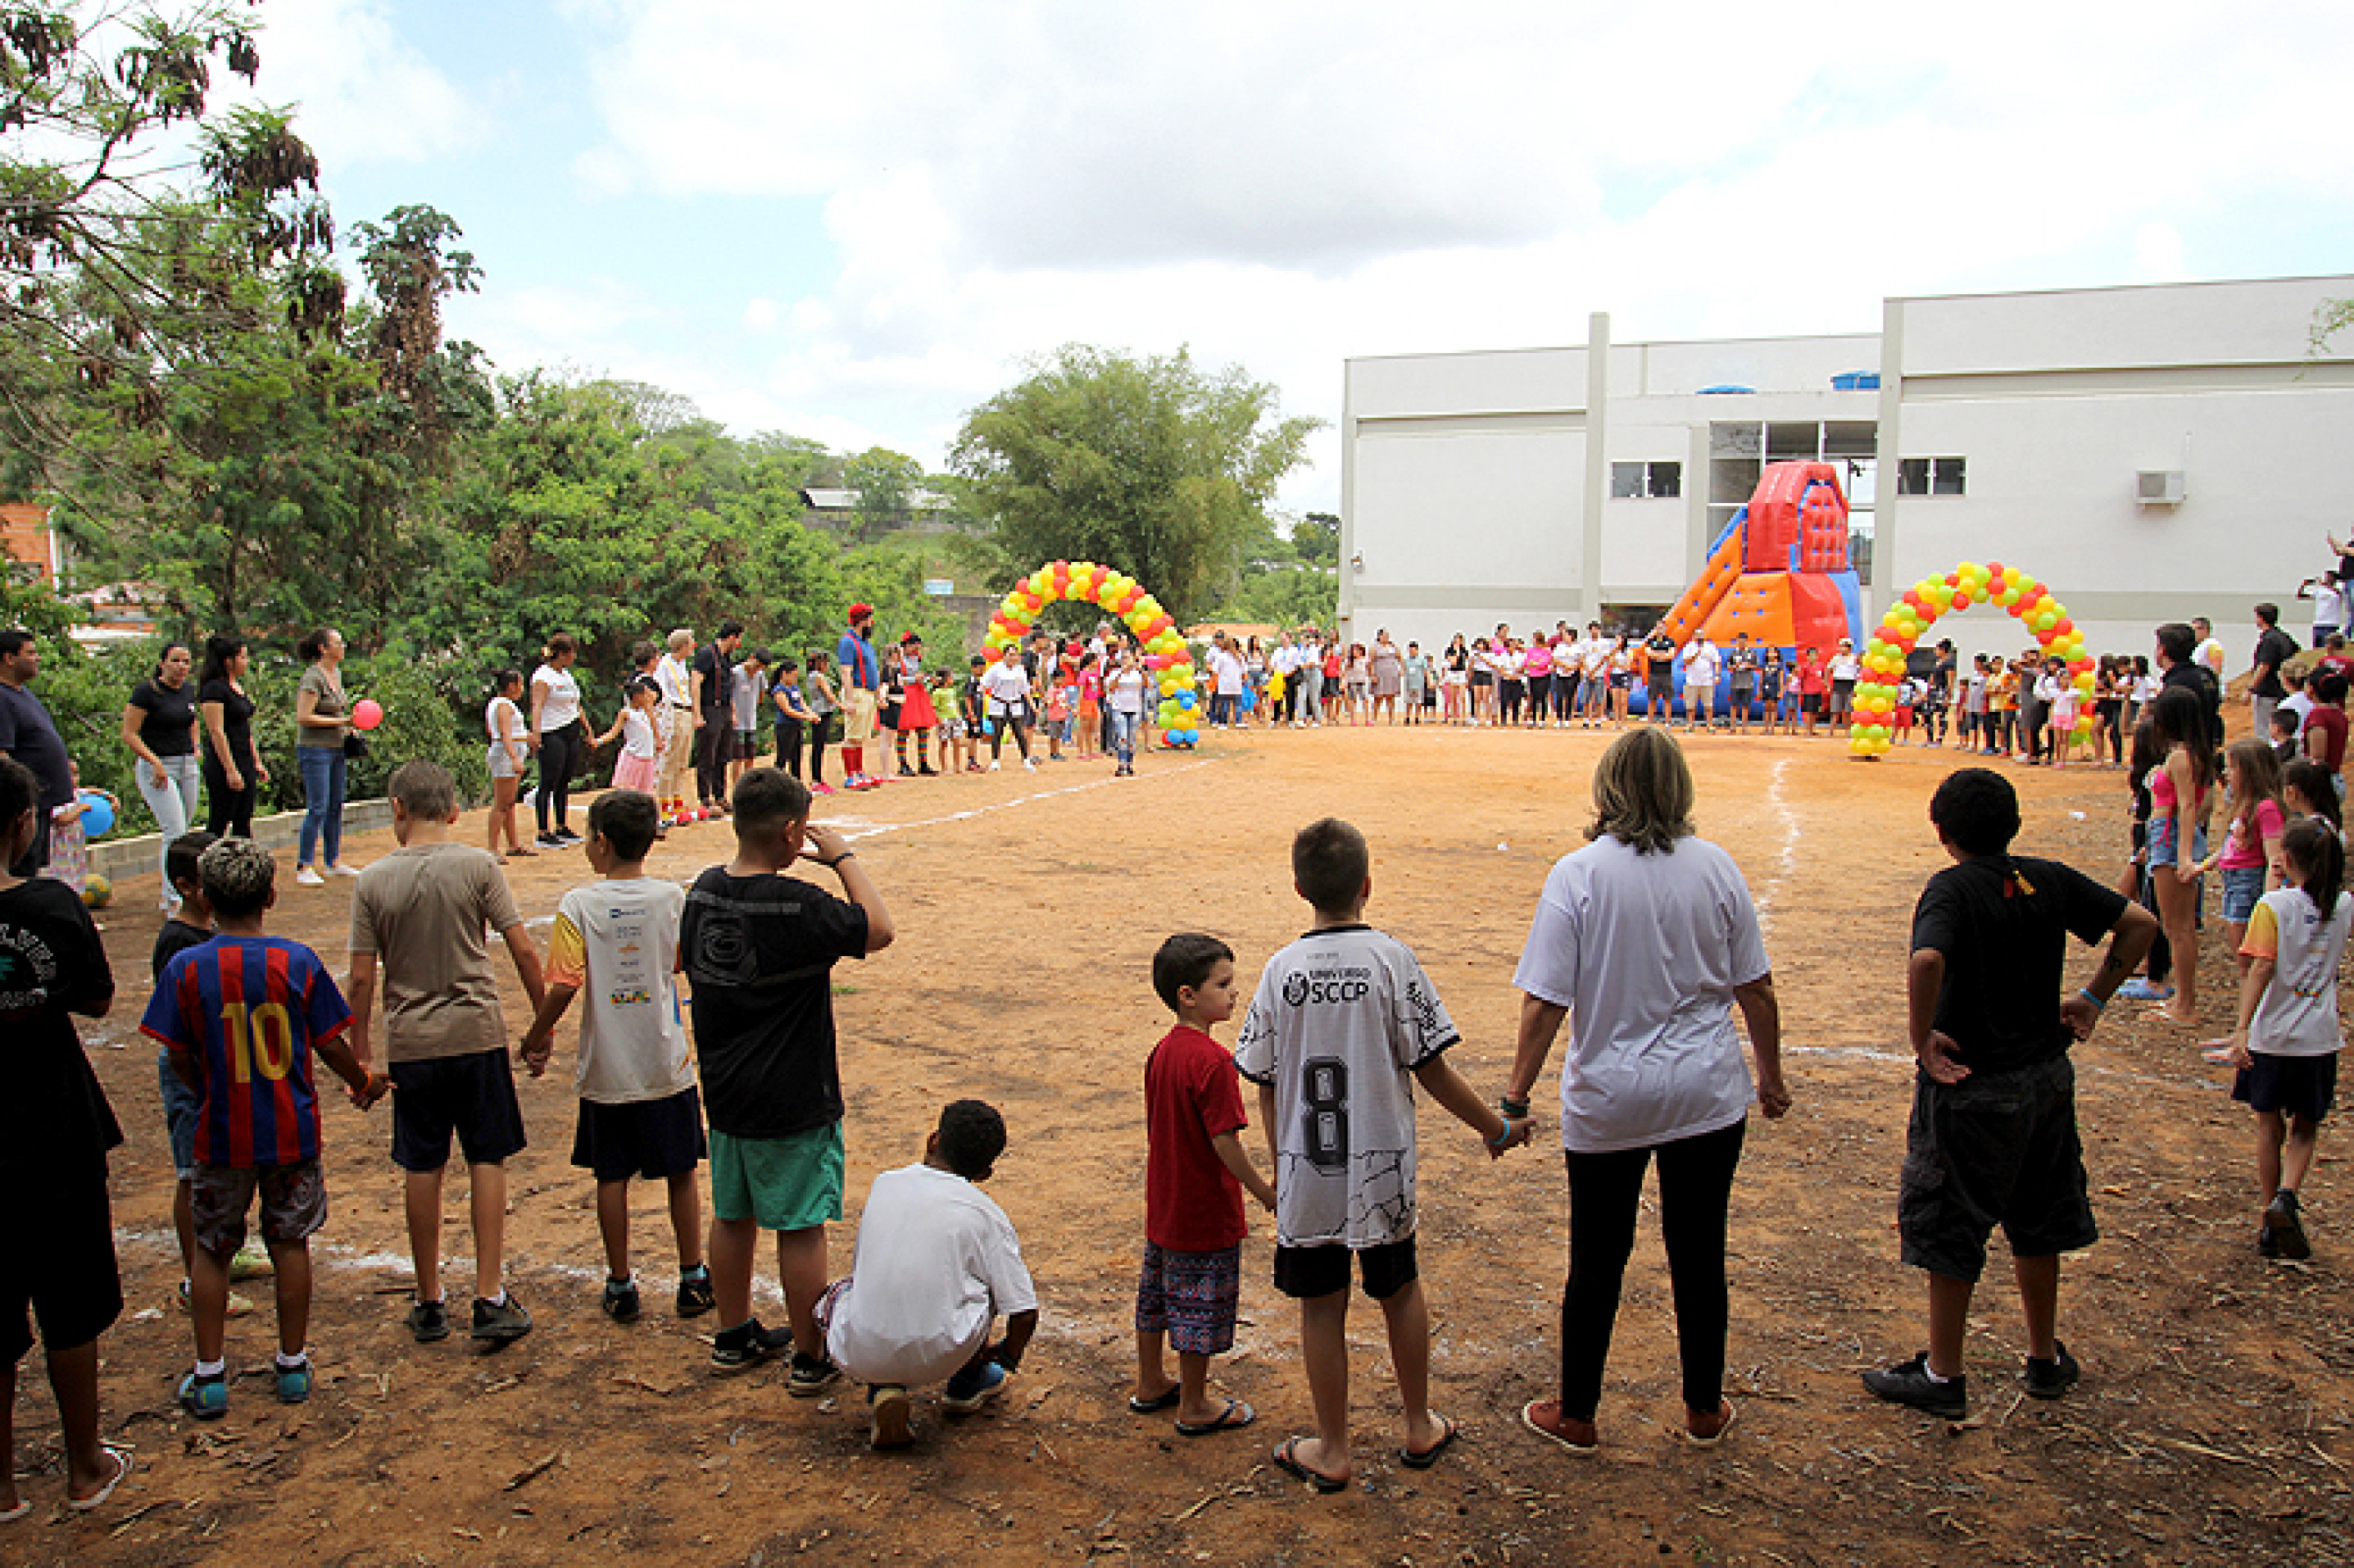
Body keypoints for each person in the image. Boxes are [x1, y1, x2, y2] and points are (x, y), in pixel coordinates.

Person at [1506, 727, 1789, 1452]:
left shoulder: (1577, 874)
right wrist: (1769, 1076)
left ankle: (1577, 1413)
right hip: (1705, 1091)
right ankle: (1703, 1408)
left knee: (1597, 1257)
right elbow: (1755, 988)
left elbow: (1545, 1002)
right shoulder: (1716, 867)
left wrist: (1515, 1096)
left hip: (1610, 1096)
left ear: (1607, 788)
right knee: (1699, 1251)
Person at [1233, 818, 1523, 1492]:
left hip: (1309, 1172)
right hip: (1380, 1170)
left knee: (1320, 1305)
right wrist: (1495, 1129)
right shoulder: (1391, 959)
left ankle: (1333, 1449)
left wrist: (1282, 1166)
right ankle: (1418, 1423)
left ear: (1299, 888)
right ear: (1367, 885)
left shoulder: (1280, 970)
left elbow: (1264, 1082)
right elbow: (1432, 1068)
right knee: (1398, 1288)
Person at [1862, 768, 2156, 1421]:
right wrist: (2091, 997)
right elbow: (2138, 924)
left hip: (1972, 1084)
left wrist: (1921, 1036)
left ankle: (1943, 1373)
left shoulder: (1951, 889)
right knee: (2037, 1218)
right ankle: (2042, 1355)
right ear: (2012, 824)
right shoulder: (2044, 877)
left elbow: (1926, 961)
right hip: (2043, 1079)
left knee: (1952, 1224)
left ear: (1942, 833)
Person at [143, 838, 381, 1420]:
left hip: (221, 1131)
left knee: (211, 1249)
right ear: (270, 895)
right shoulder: (295, 961)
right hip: (288, 1129)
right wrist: (363, 1081)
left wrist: (205, 1090)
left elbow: (176, 1053)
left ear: (205, 896)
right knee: (289, 1241)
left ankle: (210, 1374)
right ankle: (292, 1364)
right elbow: (330, 1043)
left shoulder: (186, 967)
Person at [682, 768, 894, 1384]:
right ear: (793, 832)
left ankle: (732, 1334)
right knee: (800, 1226)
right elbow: (878, 929)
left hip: (725, 1089)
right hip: (793, 1092)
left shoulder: (703, 891)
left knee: (733, 1215)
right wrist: (843, 859)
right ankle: (809, 1353)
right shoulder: (797, 903)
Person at [347, 760, 547, 1346]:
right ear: (455, 811)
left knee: (422, 1162)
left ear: (398, 809)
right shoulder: (478, 865)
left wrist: (360, 1060)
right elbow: (522, 949)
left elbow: (360, 980)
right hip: (476, 1033)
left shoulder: (373, 880)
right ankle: (489, 1295)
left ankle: (429, 1297)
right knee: (487, 1156)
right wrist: (540, 1026)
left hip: (412, 1042)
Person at [518, 791, 711, 1323]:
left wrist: (535, 1035)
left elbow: (563, 984)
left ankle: (621, 1283)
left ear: (601, 842)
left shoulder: (578, 905)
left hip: (607, 1064)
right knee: (680, 1171)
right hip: (665, 1060)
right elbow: (680, 962)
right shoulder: (671, 898)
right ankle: (692, 1276)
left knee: (611, 1175)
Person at [0, 757, 133, 1516]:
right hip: (54, 1123)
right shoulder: (51, 905)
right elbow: (97, 1000)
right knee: (70, 1301)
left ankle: (3, 1486)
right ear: (24, 823)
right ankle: (85, 1464)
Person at [820, 1101, 1038, 1449]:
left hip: (861, 1351)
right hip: (943, 1353)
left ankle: (882, 1387)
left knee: (847, 1288)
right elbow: (1024, 1311)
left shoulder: (884, 1184)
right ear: (985, 1174)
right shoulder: (986, 1213)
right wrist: (1007, 1355)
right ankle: (968, 1381)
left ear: (933, 1140)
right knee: (988, 1281)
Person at [1130, 933, 1277, 1436]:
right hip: (1203, 1209)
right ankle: (1194, 1403)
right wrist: (1263, 1191)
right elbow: (1224, 1142)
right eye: (1223, 984)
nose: (1234, 993)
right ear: (1188, 995)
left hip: (1166, 1203)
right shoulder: (1213, 1062)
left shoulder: (1163, 1052)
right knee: (1198, 1305)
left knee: (1155, 1297)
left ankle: (1151, 1381)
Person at [2223, 818, 2349, 1260]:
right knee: (2305, 1128)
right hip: (2319, 1034)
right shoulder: (2344, 905)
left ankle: (2268, 1213)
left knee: (2268, 1124)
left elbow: (2259, 967)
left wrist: (2242, 1025)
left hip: (2273, 1034)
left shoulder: (2273, 906)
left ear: (2288, 859)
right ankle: (2288, 1197)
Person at [149, 832, 260, 1319]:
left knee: (221, 1166)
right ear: (186, 887)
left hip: (216, 1064)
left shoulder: (209, 933)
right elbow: (177, 1026)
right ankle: (196, 1278)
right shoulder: (178, 942)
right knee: (191, 1174)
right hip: (190, 1070)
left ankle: (224, 1256)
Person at [2144, 687, 2216, 1028]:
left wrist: (2184, 856)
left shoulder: (2181, 758)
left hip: (2170, 837)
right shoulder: (2193, 755)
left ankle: (2186, 1004)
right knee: (2177, 925)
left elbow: (2187, 807)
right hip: (2168, 836)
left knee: (2178, 927)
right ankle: (2182, 999)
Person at [122, 641, 203, 911]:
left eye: (186, 662)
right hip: (158, 766)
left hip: (186, 764)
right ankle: (173, 896)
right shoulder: (147, 692)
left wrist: (196, 746)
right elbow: (129, 734)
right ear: (162, 664)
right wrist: (154, 762)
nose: (181, 667)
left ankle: (173, 891)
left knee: (183, 830)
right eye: (175, 661)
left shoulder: (188, 690)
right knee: (175, 831)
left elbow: (192, 719)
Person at [0, 629, 74, 877]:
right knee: (19, 873)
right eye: (30, 653)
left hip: (40, 806)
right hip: (22, 811)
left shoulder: (22, 694)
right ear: (9, 659)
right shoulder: (2, 698)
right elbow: (3, 758)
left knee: (31, 870)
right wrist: (20, 803)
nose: (37, 658)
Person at [291, 627, 360, 886]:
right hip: (315, 748)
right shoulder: (313, 678)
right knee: (318, 806)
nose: (342, 647)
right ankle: (304, 864)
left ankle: (333, 861)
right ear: (323, 648)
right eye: (337, 643)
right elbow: (304, 716)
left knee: (335, 805)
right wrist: (342, 721)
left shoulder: (336, 674)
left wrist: (348, 728)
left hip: (336, 747)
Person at [197, 635, 267, 840]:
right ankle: (209, 856)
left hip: (244, 758)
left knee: (243, 818)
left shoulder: (236, 686)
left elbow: (245, 727)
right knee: (220, 818)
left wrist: (256, 761)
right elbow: (216, 731)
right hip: (224, 761)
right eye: (242, 657)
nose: (246, 662)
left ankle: (242, 858)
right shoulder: (214, 689)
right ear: (228, 661)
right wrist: (231, 770)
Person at [530, 633, 592, 849]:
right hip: (552, 731)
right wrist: (536, 733)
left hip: (570, 728)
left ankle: (561, 825)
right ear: (561, 654)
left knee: (564, 781)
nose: (573, 657)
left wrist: (587, 728)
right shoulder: (543, 676)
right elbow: (537, 705)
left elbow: (576, 704)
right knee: (549, 781)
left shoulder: (566, 676)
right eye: (571, 653)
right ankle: (543, 831)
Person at [692, 619, 745, 812]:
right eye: (738, 639)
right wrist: (697, 714)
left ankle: (720, 795)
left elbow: (726, 688)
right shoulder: (707, 654)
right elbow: (695, 683)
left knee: (723, 755)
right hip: (710, 709)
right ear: (731, 637)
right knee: (707, 754)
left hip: (724, 710)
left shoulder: (726, 658)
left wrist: (732, 712)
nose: (739, 644)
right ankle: (705, 797)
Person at [483, 669, 533, 860]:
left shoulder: (500, 704)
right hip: (505, 755)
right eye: (520, 684)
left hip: (509, 752)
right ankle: (492, 848)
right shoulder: (503, 705)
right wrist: (514, 757)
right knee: (501, 803)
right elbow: (504, 734)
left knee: (509, 802)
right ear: (511, 686)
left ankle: (513, 844)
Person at [834, 605, 884, 792]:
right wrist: (849, 700)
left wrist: (878, 694)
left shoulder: (865, 643)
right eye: (869, 619)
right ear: (861, 620)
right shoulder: (848, 642)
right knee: (852, 735)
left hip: (868, 692)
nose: (871, 623)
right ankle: (850, 775)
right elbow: (846, 672)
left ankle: (859, 771)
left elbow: (873, 670)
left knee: (861, 736)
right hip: (856, 691)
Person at [655, 628, 697, 827]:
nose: (693, 646)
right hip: (674, 711)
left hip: (686, 710)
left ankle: (677, 798)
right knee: (670, 757)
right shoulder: (664, 665)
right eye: (690, 643)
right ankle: (665, 802)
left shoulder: (682, 665)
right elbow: (662, 692)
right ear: (682, 646)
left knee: (683, 759)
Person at [597, 675, 665, 797]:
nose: (648, 698)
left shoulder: (646, 712)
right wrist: (598, 741)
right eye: (644, 695)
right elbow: (613, 732)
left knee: (646, 792)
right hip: (633, 756)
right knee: (626, 790)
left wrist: (658, 739)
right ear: (637, 697)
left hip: (647, 757)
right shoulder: (626, 713)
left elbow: (655, 696)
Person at [980, 642, 1037, 772]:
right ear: (1004, 655)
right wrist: (982, 701)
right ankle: (995, 760)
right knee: (997, 733)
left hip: (1015, 704)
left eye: (1014, 655)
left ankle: (1026, 760)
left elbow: (1025, 689)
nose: (1012, 657)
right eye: (1010, 655)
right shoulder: (996, 669)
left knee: (1020, 733)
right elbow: (984, 684)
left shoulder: (1020, 670)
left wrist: (1032, 705)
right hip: (998, 704)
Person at [2247, 603, 2300, 742]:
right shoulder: (2283, 637)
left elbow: (2264, 666)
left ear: (2261, 618)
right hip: (2281, 689)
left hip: (2267, 690)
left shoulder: (2269, 640)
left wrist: (2251, 688)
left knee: (2265, 728)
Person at [803, 649, 841, 795]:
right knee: (818, 746)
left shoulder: (811, 676)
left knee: (818, 745)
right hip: (822, 712)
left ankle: (817, 778)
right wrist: (841, 705)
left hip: (819, 710)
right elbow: (828, 694)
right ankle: (816, 780)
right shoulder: (818, 676)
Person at [729, 647, 766, 788]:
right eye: (756, 666)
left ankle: (748, 787)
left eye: (760, 668)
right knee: (738, 757)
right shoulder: (735, 673)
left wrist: (757, 703)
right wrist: (733, 713)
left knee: (750, 757)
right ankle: (737, 787)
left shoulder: (760, 675)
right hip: (737, 721)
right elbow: (728, 694)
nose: (756, 670)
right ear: (751, 657)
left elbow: (762, 691)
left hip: (751, 721)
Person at [1679, 635, 1719, 731]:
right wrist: (1696, 654)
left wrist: (1717, 675)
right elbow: (1685, 661)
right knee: (1690, 705)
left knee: (1709, 705)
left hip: (1707, 680)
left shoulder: (1710, 647)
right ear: (1695, 636)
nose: (1699, 637)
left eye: (1701, 635)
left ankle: (1709, 725)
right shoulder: (1689, 647)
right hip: (1692, 680)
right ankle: (1690, 724)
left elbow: (1717, 661)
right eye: (1698, 635)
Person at [1726, 634, 1757, 732]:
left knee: (1745, 706)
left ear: (1746, 641)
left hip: (1747, 683)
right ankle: (1733, 727)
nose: (1741, 643)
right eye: (1739, 641)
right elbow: (1728, 666)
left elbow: (1756, 666)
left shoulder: (1751, 653)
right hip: (1735, 683)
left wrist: (1749, 666)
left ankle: (1744, 727)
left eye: (1743, 641)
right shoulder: (1733, 653)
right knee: (1733, 705)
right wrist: (1735, 666)